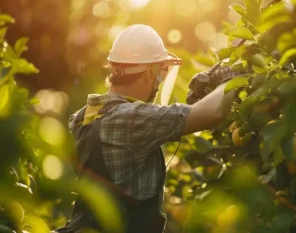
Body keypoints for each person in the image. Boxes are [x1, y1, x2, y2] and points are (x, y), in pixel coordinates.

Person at [57, 24, 240, 233]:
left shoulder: (81, 117)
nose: (160, 80)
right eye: (162, 70)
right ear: (148, 73)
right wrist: (231, 78)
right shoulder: (128, 119)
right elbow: (212, 113)